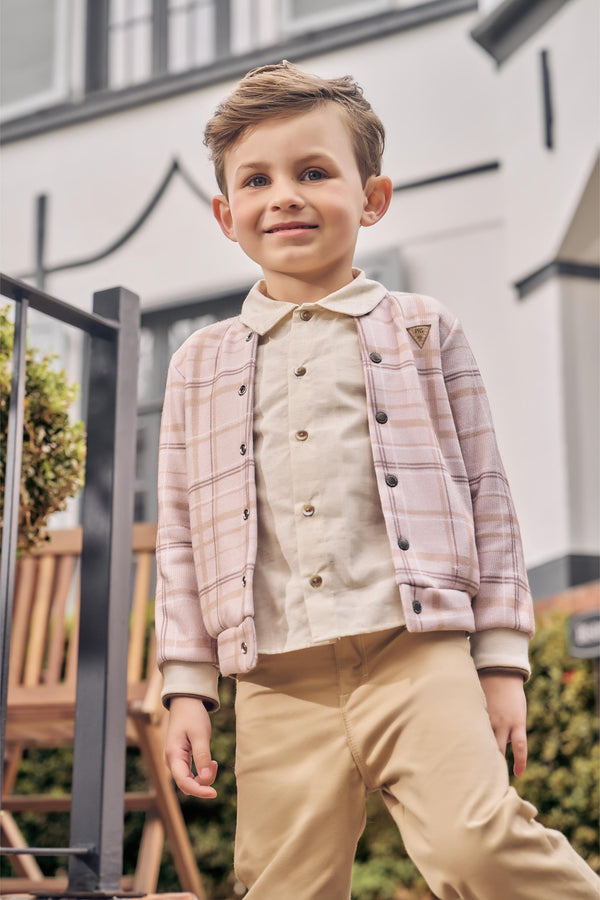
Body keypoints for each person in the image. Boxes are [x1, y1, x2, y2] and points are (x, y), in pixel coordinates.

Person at [156, 62, 600, 900]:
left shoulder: (427, 331)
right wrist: (187, 686)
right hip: (275, 676)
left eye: (314, 172)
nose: (284, 195)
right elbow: (180, 533)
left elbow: (487, 497)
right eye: (258, 180)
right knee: (280, 886)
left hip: (416, 652)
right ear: (227, 215)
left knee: (478, 848)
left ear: (373, 199)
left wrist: (501, 664)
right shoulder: (198, 364)